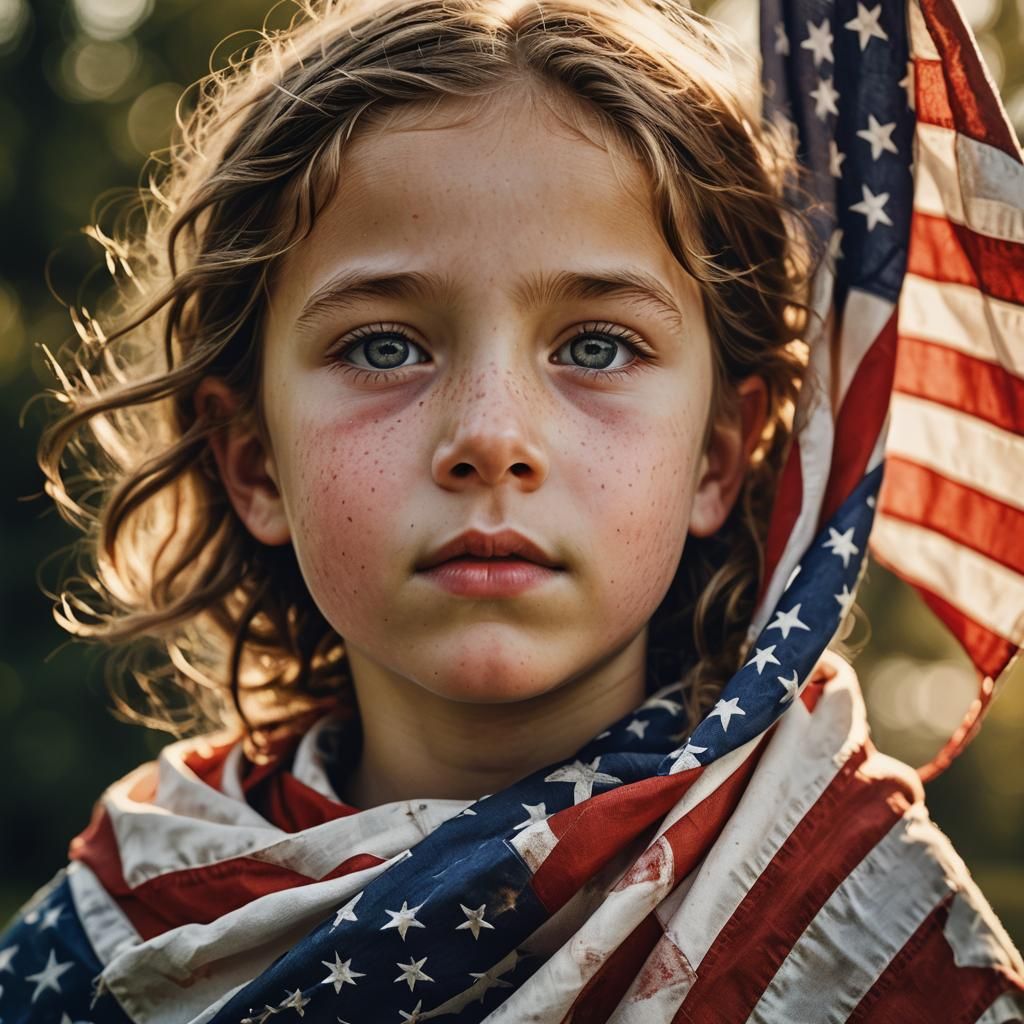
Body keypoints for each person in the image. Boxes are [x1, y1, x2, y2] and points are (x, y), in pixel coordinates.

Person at [2, 0, 1022, 1020]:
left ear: (717, 455)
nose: (490, 435)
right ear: (256, 464)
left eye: (595, 346)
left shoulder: (864, 929)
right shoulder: (117, 938)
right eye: (384, 346)